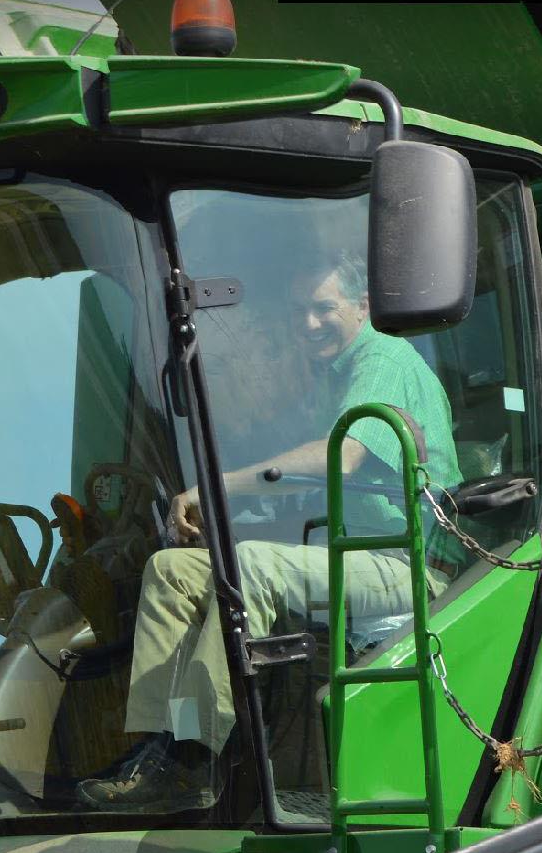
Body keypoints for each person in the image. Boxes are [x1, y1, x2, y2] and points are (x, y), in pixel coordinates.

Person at [77, 253, 463, 812]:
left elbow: (342, 460)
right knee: (174, 570)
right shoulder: (334, 380)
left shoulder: (386, 358)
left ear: (363, 307)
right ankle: (167, 745)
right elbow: (305, 490)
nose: (309, 323)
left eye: (323, 308)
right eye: (297, 311)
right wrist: (218, 518)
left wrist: (219, 488)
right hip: (347, 556)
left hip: (406, 565)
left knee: (252, 565)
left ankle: (196, 755)